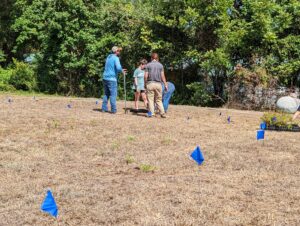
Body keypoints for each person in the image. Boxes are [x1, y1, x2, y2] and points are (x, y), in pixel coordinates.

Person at [101, 46, 126, 113]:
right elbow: (118, 68)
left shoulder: (108, 57)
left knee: (106, 94)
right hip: (112, 79)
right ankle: (113, 110)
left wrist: (120, 70)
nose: (119, 52)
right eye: (118, 51)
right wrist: (121, 70)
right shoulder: (116, 58)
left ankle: (104, 108)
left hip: (105, 77)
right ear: (116, 51)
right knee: (113, 95)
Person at [144, 52, 168, 118]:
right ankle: (162, 113)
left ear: (151, 58)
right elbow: (163, 76)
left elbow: (145, 76)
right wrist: (165, 84)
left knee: (150, 99)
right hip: (158, 84)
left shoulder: (148, 65)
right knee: (159, 99)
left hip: (150, 83)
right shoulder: (160, 65)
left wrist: (145, 84)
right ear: (157, 58)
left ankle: (151, 113)